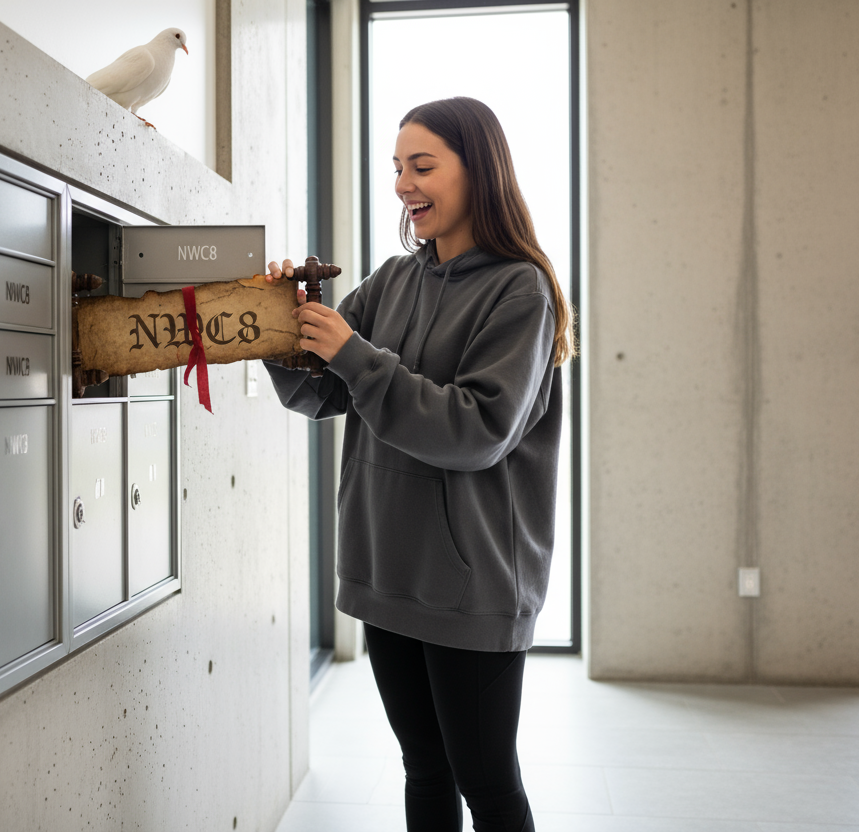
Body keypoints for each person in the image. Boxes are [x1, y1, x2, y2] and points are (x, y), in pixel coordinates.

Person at [263, 96, 572, 832]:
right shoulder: (394, 280)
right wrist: (280, 331)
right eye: (397, 167)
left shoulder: (518, 290)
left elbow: (476, 431)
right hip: (387, 572)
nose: (404, 183)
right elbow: (321, 393)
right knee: (423, 769)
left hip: (470, 586)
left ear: (480, 172)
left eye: (423, 166)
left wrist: (353, 351)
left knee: (488, 787)